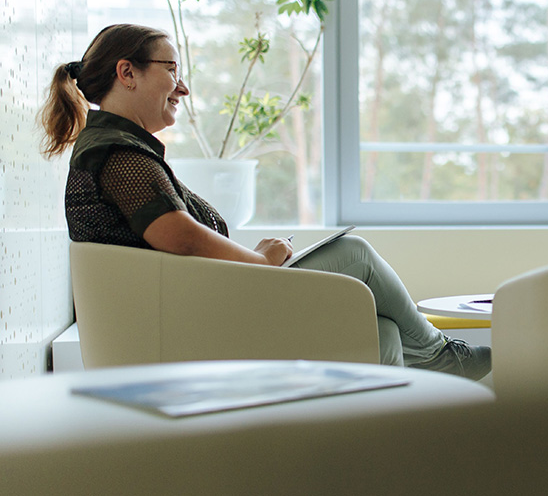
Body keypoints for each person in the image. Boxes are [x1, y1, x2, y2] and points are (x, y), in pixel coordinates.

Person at [40, 23, 491, 381]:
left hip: (198, 307)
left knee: (383, 333)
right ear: (127, 73)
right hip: (199, 319)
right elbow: (177, 235)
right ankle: (438, 356)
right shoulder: (116, 151)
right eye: (172, 70)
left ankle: (384, 442)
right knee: (355, 255)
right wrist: (260, 262)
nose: (183, 88)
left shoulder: (117, 147)